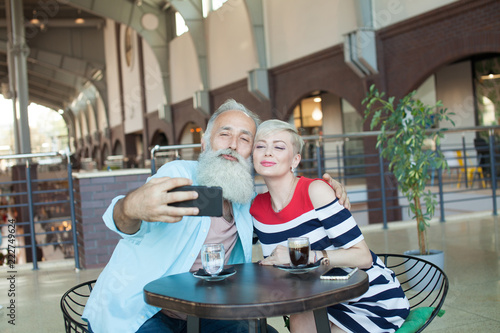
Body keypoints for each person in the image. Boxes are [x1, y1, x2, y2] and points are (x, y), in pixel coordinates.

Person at [82, 99, 350, 333]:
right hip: (144, 308)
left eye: (245, 139)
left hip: (204, 313)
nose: (233, 145)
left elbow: (288, 212)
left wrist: (326, 192)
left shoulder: (246, 201)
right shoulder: (180, 175)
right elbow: (124, 222)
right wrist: (131, 207)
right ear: (204, 143)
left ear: (253, 153)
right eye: (225, 134)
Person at [250, 120, 410, 333]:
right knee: (299, 320)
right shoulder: (255, 207)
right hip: (318, 299)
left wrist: (303, 256)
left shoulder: (315, 191)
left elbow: (363, 257)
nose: (268, 152)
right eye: (260, 146)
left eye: (279, 147)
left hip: (367, 297)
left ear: (295, 160)